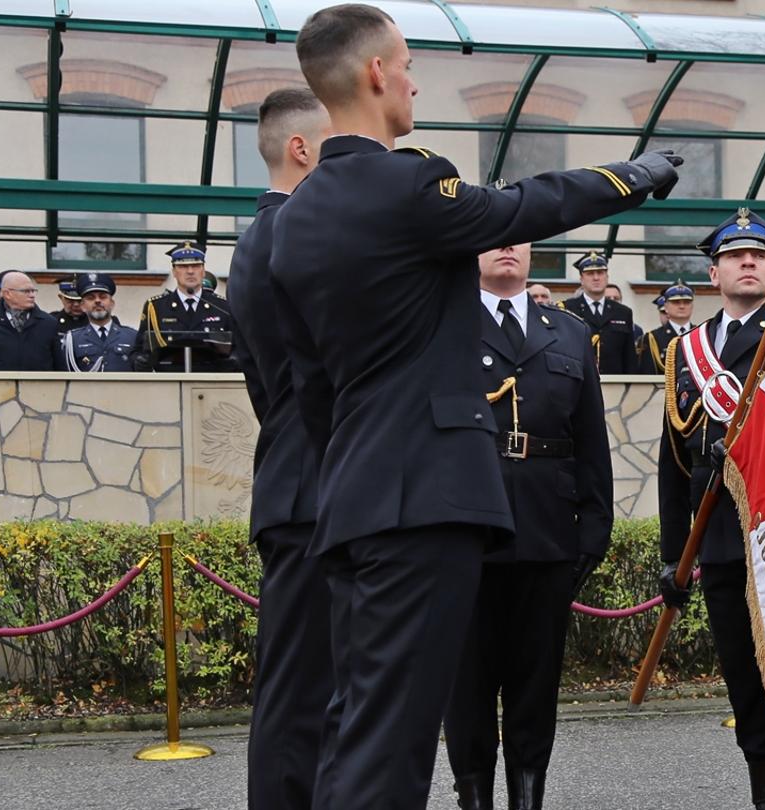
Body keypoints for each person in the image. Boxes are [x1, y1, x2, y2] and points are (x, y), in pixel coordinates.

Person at [269, 5, 679, 808]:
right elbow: (526, 206)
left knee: (361, 723)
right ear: (378, 74)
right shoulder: (410, 182)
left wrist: (359, 464)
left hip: (352, 499)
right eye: (408, 62)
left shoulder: (298, 219)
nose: (415, 78)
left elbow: (311, 390)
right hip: (427, 502)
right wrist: (638, 175)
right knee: (395, 744)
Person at [443, 242, 612, 810]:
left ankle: (527, 798)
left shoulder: (565, 332)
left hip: (546, 533)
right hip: (464, 532)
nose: (509, 247)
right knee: (466, 687)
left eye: (519, 236)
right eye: (495, 236)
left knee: (535, 689)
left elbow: (591, 439)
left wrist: (594, 526)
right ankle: (473, 798)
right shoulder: (440, 322)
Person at [657, 209, 765, 810]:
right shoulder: (686, 352)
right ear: (713, 270)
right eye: (735, 255)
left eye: (759, 255)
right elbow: (674, 463)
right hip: (718, 539)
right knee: (745, 692)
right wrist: (676, 558)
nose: (747, 262)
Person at [226, 86, 333, 810]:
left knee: (310, 688)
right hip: (310, 485)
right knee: (299, 692)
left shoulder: (264, 233)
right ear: (301, 148)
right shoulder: (291, 234)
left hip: (299, 476)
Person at [134, 244, 240, 372]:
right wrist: (140, 361)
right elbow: (139, 350)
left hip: (211, 381)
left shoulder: (222, 306)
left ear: (203, 271)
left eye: (196, 266)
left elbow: (239, 347)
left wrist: (234, 360)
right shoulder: (156, 307)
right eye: (183, 266)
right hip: (169, 381)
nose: (190, 271)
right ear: (174, 272)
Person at [560, 251, 636, 373]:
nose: (596, 278)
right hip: (581, 382)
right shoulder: (568, 309)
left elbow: (629, 357)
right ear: (581, 279)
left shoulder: (623, 312)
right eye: (590, 273)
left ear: (607, 277)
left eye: (600, 273)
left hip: (615, 383)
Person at [0, 270, 61, 371]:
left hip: (39, 386)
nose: (32, 295)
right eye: (26, 291)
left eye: (33, 291)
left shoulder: (48, 323)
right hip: (1, 386)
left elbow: (60, 367)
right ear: (7, 294)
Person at [56, 273, 138, 372]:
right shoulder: (72, 339)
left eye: (103, 297)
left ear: (112, 303)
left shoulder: (132, 336)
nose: (97, 301)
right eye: (91, 298)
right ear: (83, 306)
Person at [634, 282, 695, 374]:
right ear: (666, 307)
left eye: (686, 302)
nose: (682, 306)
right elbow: (647, 373)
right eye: (676, 302)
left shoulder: (703, 333)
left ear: (692, 306)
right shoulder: (652, 338)